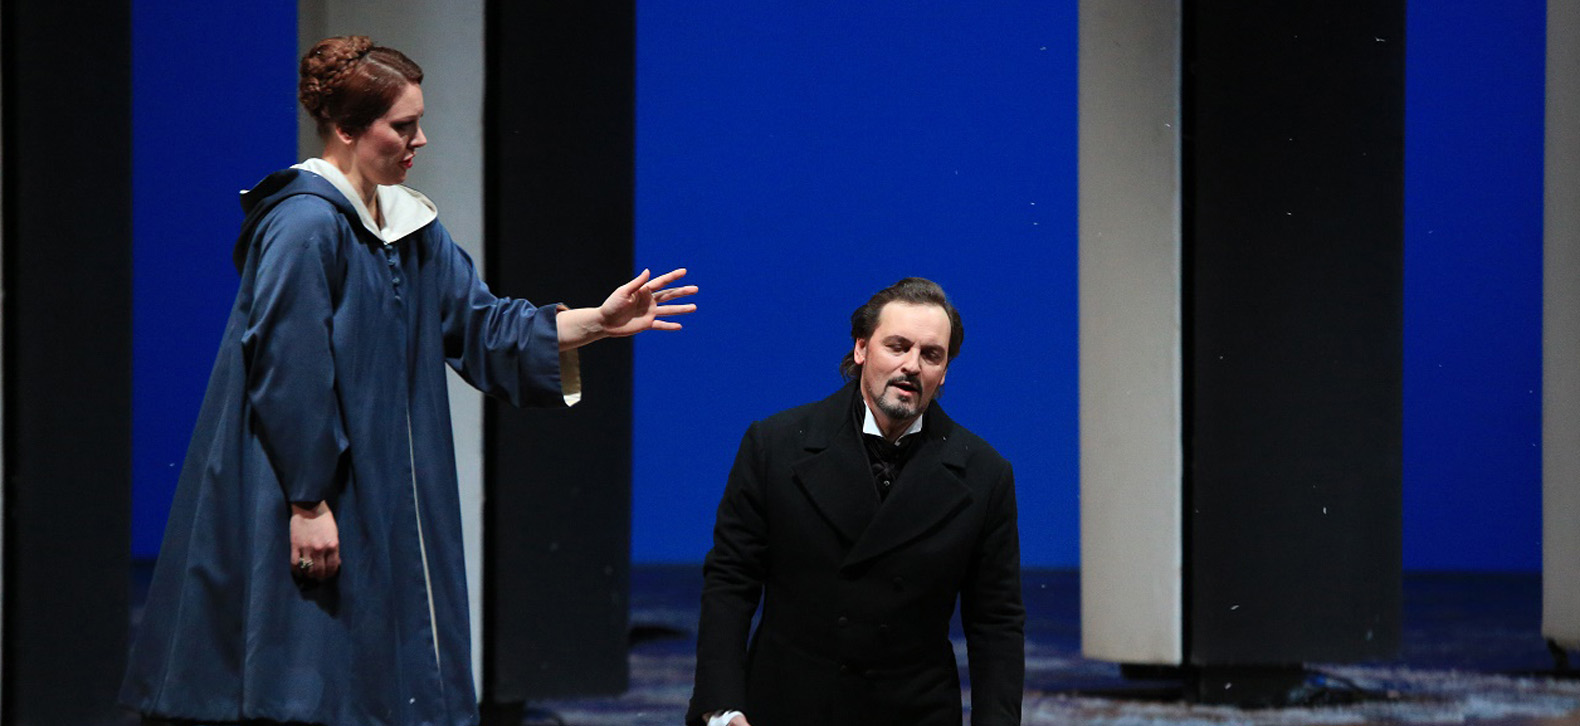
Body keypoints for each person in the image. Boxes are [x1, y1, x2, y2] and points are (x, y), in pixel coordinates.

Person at [120, 36, 696, 726]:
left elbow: (481, 325)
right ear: (346, 129)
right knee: (308, 674)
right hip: (309, 489)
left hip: (383, 491)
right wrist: (308, 503)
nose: (419, 140)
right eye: (402, 126)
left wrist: (597, 322)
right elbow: (288, 371)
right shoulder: (305, 226)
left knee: (380, 670)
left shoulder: (409, 227)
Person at [686, 278, 1023, 726]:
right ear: (861, 348)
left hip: (913, 713)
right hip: (789, 706)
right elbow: (731, 580)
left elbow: (996, 622)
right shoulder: (776, 445)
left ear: (944, 371)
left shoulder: (984, 474)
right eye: (897, 346)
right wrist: (722, 708)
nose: (911, 365)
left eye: (931, 355)